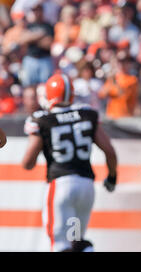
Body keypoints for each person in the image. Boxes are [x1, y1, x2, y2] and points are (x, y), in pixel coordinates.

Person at [21, 73, 118, 252]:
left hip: (61, 185)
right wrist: (112, 177)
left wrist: (44, 142)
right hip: (86, 185)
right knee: (77, 242)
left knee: (59, 244)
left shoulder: (42, 119)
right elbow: (110, 152)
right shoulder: (87, 113)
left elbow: (28, 163)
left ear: (48, 95)